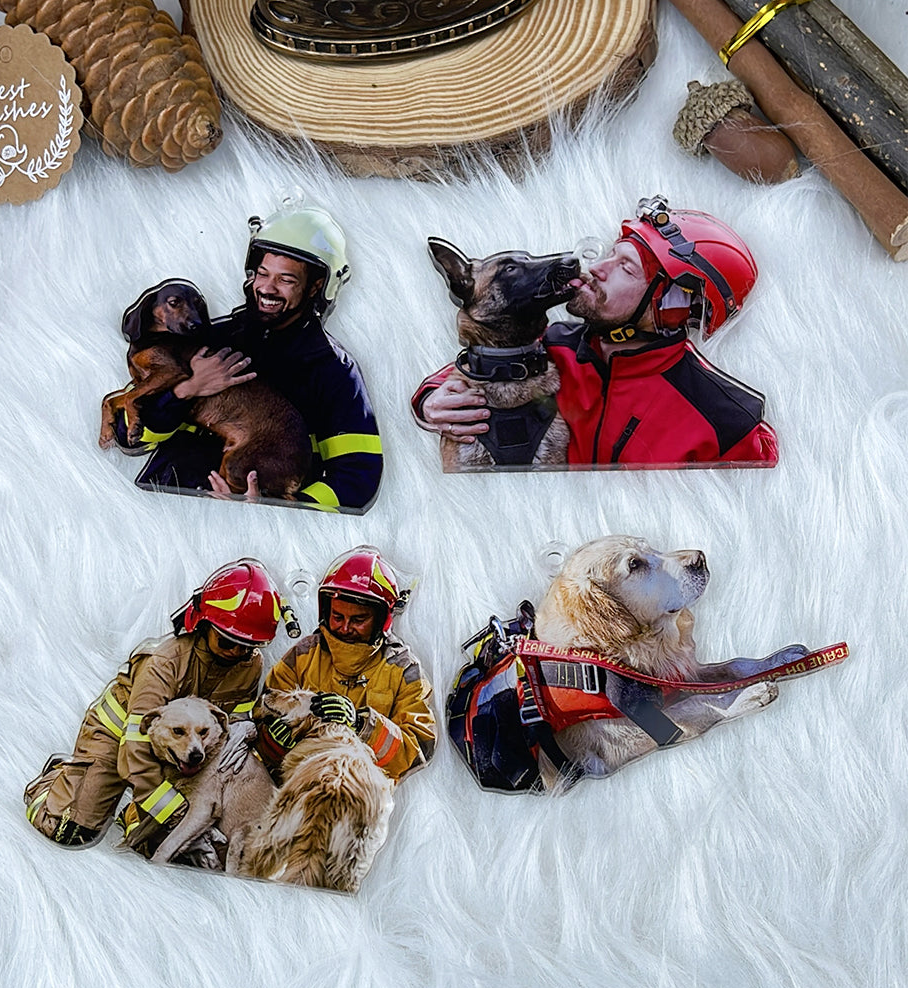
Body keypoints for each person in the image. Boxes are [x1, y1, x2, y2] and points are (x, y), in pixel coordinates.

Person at [412, 195, 778, 467]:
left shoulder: (724, 420)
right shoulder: (553, 346)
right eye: (611, 254)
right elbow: (474, 364)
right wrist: (429, 402)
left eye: (626, 268)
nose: (598, 267)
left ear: (672, 305)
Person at [114, 206, 383, 511]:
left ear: (316, 286)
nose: (267, 288)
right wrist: (185, 390)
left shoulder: (334, 370)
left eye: (286, 279)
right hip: (160, 509)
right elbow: (127, 434)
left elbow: (358, 477)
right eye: (263, 274)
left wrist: (281, 509)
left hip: (252, 532)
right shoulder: (206, 337)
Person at [23, 560, 295, 855]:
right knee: (70, 831)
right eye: (228, 642)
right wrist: (176, 813)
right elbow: (135, 746)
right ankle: (52, 783)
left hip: (184, 749)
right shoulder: (164, 662)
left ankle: (133, 815)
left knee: (171, 849)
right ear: (204, 624)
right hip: (119, 737)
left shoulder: (249, 664)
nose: (237, 652)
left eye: (249, 645)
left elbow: (233, 720)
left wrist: (247, 729)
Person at [257, 547, 436, 783]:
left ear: (381, 619)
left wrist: (362, 724)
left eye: (358, 619)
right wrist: (272, 742)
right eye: (337, 616)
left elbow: (418, 747)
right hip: (298, 787)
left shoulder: (403, 669)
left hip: (361, 793)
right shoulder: (303, 655)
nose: (344, 628)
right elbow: (264, 711)